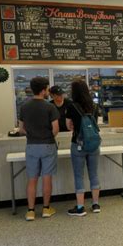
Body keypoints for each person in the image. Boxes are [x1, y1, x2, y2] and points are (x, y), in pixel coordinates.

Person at [19, 77, 59, 221]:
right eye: (48, 89)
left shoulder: (24, 106)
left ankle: (30, 211)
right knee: (46, 179)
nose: (48, 92)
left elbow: (21, 129)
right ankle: (46, 209)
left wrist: (32, 135)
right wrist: (46, 137)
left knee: (32, 179)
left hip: (31, 146)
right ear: (43, 91)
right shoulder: (50, 107)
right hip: (48, 145)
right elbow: (55, 129)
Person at [65, 80, 101, 217]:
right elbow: (94, 124)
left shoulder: (71, 106)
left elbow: (69, 126)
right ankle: (96, 204)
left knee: (79, 176)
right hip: (93, 145)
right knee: (94, 174)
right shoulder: (94, 106)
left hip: (78, 144)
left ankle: (80, 207)